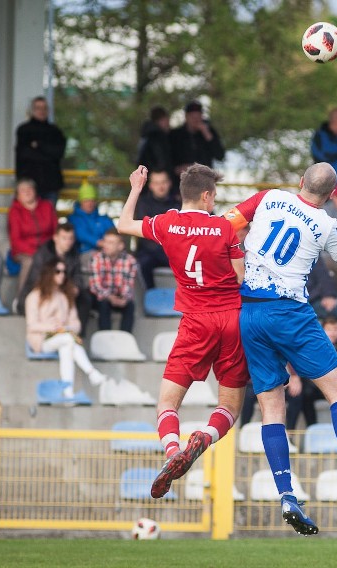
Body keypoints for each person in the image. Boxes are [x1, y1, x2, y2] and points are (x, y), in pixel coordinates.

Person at [224, 162, 337, 535]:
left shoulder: (269, 198)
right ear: (332, 195)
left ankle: (286, 494)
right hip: (291, 312)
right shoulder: (328, 224)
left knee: (272, 405)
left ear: (299, 181)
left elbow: (227, 225)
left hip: (250, 311)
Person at [118, 164, 250, 500]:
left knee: (166, 403)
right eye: (214, 196)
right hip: (231, 319)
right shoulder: (223, 228)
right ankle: (205, 436)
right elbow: (239, 277)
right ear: (207, 195)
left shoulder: (166, 223)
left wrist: (136, 187)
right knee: (230, 407)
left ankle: (172, 451)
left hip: (195, 321)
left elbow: (123, 224)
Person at [25, 260, 108, 399]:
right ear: (49, 273)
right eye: (58, 271)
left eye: (64, 272)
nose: (62, 275)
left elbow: (76, 323)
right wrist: (51, 327)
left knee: (67, 346)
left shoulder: (64, 296)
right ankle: (91, 372)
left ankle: (68, 392)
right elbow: (31, 325)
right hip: (41, 339)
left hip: (62, 337)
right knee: (69, 340)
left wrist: (65, 327)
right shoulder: (35, 296)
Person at [16, 223, 92, 337]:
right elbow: (36, 280)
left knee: (85, 297)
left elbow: (77, 276)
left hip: (63, 291)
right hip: (43, 292)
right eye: (64, 238)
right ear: (55, 238)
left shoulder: (74, 254)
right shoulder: (43, 253)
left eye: (71, 238)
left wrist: (75, 288)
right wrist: (57, 289)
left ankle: (78, 335)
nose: (68, 242)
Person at [8, 178, 58, 295]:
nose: (27, 192)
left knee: (58, 262)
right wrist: (36, 252)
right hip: (24, 251)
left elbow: (56, 231)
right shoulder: (14, 211)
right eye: (23, 190)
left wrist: (50, 249)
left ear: (35, 191)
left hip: (48, 248)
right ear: (17, 195)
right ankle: (22, 299)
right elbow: (15, 240)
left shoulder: (47, 206)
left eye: (30, 188)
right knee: (30, 262)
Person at [14, 96, 67, 204]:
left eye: (44, 108)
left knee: (48, 218)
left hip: (51, 185)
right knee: (28, 219)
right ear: (32, 110)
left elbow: (59, 153)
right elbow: (24, 154)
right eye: (38, 108)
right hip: (29, 185)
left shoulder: (55, 131)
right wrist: (48, 153)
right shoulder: (24, 130)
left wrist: (38, 145)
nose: (41, 111)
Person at [133, 169, 179, 289]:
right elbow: (143, 234)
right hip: (150, 251)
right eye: (157, 183)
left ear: (169, 183)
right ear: (151, 185)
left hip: (173, 251)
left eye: (163, 182)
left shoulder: (178, 204)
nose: (161, 186)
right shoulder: (142, 203)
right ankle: (151, 299)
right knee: (143, 263)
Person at [89, 229, 137, 333]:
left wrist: (124, 298)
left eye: (111, 243)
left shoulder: (130, 261)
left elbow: (129, 285)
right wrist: (110, 297)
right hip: (102, 297)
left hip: (119, 295)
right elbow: (96, 286)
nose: (106, 245)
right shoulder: (97, 258)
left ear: (120, 246)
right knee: (103, 303)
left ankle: (125, 338)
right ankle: (105, 338)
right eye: (105, 241)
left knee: (130, 305)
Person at [170, 101, 225, 182]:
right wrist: (178, 169)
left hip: (204, 183)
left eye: (198, 116)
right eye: (192, 117)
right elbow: (167, 160)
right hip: (181, 183)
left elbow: (220, 155)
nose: (195, 120)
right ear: (186, 116)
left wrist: (206, 133)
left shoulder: (209, 132)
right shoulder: (176, 135)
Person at [67, 182, 114, 261]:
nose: (90, 203)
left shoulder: (104, 219)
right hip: (81, 255)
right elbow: (80, 234)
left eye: (92, 200)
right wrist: (100, 243)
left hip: (106, 253)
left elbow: (114, 233)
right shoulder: (73, 219)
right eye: (86, 200)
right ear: (80, 201)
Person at [137, 106, 173, 183]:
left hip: (146, 177)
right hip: (157, 179)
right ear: (162, 120)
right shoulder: (157, 136)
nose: (168, 124)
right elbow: (161, 160)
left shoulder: (146, 135)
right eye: (167, 121)